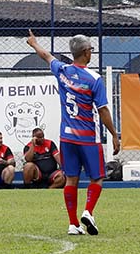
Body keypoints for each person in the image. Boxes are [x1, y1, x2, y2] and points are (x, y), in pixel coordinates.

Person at [24, 30, 121, 236]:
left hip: (67, 137)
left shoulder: (63, 70)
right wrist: (114, 134)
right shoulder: (94, 79)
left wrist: (34, 43)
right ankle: (88, 212)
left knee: (71, 179)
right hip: (88, 137)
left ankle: (73, 224)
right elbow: (103, 110)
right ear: (86, 52)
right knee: (97, 178)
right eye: (91, 49)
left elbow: (46, 56)